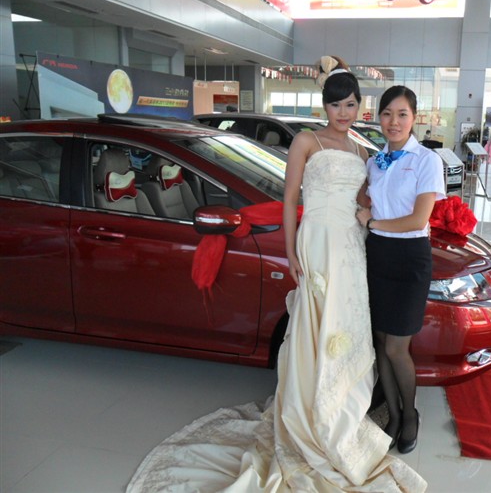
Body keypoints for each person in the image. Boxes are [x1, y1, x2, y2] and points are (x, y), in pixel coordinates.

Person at [126, 57, 426, 492]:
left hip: (352, 246)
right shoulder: (307, 141)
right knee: (315, 324)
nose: (343, 113)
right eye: (335, 105)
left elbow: (369, 200)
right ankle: (312, 411)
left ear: (360, 106)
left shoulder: (363, 152)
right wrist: (290, 250)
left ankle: (341, 407)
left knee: (349, 324)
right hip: (317, 242)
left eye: (350, 104)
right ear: (324, 107)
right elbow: (289, 200)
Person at [356, 85, 446, 455]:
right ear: (378, 117)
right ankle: (392, 415)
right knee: (379, 341)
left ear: (414, 118)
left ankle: (410, 415)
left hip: (409, 258)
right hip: (377, 255)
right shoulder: (374, 161)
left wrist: (373, 222)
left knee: (396, 347)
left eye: (402, 114)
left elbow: (418, 219)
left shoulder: (426, 160)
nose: (394, 121)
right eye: (387, 113)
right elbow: (362, 197)